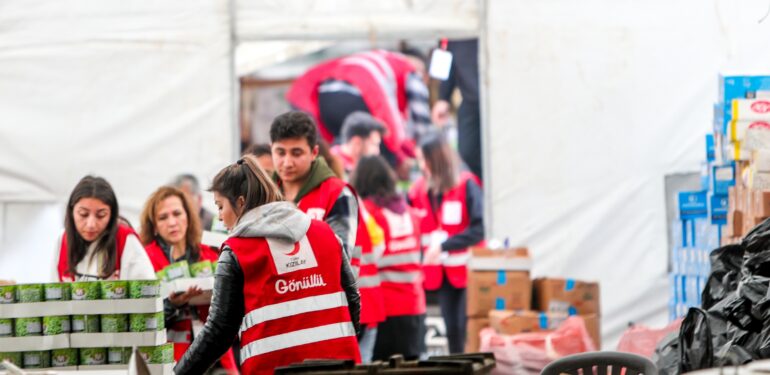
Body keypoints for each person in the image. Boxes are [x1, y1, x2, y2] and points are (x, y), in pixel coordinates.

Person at [174, 155, 361, 374]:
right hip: (341, 365)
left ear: (241, 203)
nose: (220, 217)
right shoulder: (325, 234)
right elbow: (353, 300)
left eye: (220, 206)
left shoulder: (236, 251)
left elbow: (218, 331)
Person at [270, 111, 385, 362]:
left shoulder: (337, 194)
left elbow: (336, 254)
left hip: (332, 320)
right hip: (282, 323)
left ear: (313, 153)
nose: (287, 162)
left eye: (296, 153)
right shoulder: (264, 197)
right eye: (280, 152)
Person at [138, 186, 238, 371]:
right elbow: (141, 323)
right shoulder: (145, 260)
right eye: (163, 217)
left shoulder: (208, 253)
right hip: (170, 360)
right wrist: (172, 306)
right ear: (154, 226)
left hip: (215, 358)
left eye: (177, 213)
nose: (172, 222)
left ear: (188, 217)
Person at [287, 50, 430, 170]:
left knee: (346, 149)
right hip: (355, 98)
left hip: (324, 101)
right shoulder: (410, 69)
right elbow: (418, 114)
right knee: (380, 150)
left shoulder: (374, 57)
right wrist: (413, 153)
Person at [407, 132, 484, 354]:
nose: (421, 166)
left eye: (424, 160)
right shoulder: (417, 191)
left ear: (436, 159)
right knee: (452, 330)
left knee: (463, 328)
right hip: (438, 274)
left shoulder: (467, 185)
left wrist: (444, 246)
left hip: (466, 272)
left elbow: (479, 230)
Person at [351, 156, 426, 361]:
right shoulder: (409, 213)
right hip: (415, 307)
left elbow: (368, 255)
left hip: (386, 309)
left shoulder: (369, 213)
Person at [53, 175, 155, 281]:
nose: (91, 224)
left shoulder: (125, 239)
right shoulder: (63, 240)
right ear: (71, 211)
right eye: (83, 214)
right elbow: (54, 290)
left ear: (112, 215)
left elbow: (147, 287)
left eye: (101, 215)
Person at [431, 38, 483, 181]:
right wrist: (443, 98)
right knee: (467, 152)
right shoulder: (451, 36)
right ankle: (482, 188)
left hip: (496, 101)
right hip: (470, 100)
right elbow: (445, 64)